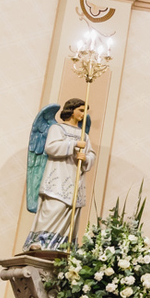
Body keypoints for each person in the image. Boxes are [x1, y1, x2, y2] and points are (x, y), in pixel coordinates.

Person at [23, 98, 95, 250]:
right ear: (72, 110)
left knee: (69, 212)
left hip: (75, 178)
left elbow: (91, 154)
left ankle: (62, 245)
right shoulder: (57, 129)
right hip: (58, 176)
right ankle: (40, 242)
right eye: (81, 110)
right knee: (53, 208)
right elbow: (51, 147)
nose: (83, 114)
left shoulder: (84, 135)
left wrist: (86, 158)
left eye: (85, 111)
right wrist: (73, 144)